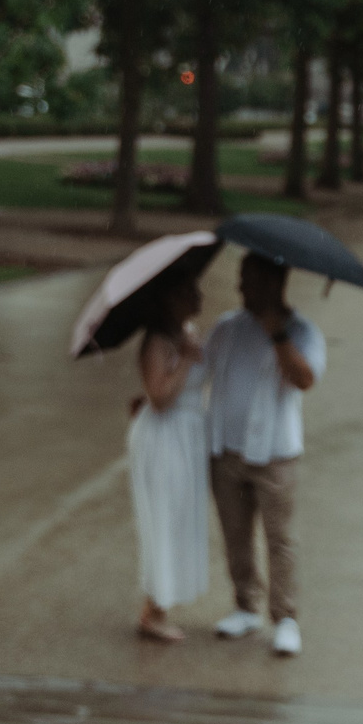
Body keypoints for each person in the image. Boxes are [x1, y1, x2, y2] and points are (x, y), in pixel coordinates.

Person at [203, 252, 322, 656]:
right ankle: (244, 606)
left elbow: (305, 379)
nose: (240, 287)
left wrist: (278, 336)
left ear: (274, 283)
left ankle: (285, 618)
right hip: (227, 451)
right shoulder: (228, 327)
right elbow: (200, 372)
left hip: (276, 456)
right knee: (235, 533)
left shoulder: (303, 330)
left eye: (248, 279)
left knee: (280, 538)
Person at [127, 272, 209, 642]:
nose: (198, 294)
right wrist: (188, 362)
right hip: (164, 437)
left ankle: (160, 604)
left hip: (187, 434)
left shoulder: (185, 332)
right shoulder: (157, 341)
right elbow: (160, 398)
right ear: (169, 300)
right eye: (189, 289)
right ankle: (152, 611)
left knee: (179, 516)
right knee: (164, 515)